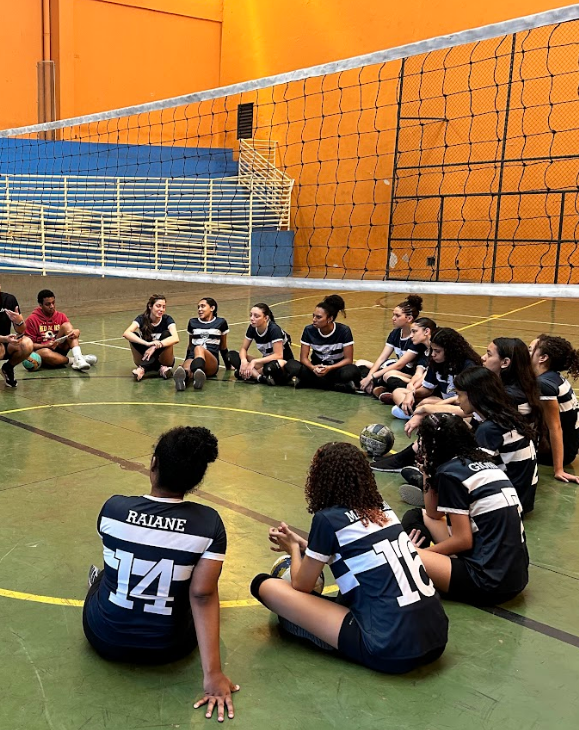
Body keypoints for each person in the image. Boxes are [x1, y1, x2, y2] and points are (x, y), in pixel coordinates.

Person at [83, 427, 238, 722]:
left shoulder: (113, 508)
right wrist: (214, 674)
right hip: (169, 648)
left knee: (108, 575)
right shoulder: (209, 524)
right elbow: (203, 596)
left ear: (153, 463)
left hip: (103, 637)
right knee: (197, 583)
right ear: (196, 480)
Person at [251, 442, 447, 674]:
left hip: (390, 650)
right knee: (355, 588)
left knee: (264, 586)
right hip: (436, 639)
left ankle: (322, 633)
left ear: (319, 480)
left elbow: (301, 585)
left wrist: (293, 548)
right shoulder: (382, 508)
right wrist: (307, 546)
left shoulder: (327, 519)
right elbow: (352, 554)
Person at [402, 414, 529, 606]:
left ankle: (423, 564)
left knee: (403, 557)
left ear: (432, 445)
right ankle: (433, 565)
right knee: (417, 515)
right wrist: (427, 471)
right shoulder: (483, 463)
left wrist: (424, 552)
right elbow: (433, 514)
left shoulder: (451, 474)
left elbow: (463, 541)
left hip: (488, 582)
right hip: (515, 576)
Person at [401, 366, 538, 513]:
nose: (457, 400)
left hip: (506, 502)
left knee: (416, 514)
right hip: (522, 496)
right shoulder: (504, 416)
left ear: (473, 395)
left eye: (459, 395)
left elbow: (476, 472)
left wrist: (434, 470)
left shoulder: (489, 429)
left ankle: (435, 496)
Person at [401, 327, 481, 436]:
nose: (433, 354)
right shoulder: (436, 362)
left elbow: (466, 404)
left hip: (462, 407)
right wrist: (412, 393)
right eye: (432, 350)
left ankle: (415, 413)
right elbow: (427, 389)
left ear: (450, 351)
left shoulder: (469, 367)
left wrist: (427, 409)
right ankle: (414, 412)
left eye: (437, 351)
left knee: (427, 406)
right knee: (399, 392)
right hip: (443, 401)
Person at [530, 334, 579, 483]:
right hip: (569, 446)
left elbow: (555, 427)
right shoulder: (552, 377)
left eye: (530, 349)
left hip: (554, 454)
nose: (526, 352)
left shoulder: (544, 385)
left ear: (543, 358)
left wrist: (559, 469)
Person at [283, 294, 359, 391]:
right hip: (316, 369)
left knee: (351, 371)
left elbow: (348, 359)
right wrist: (313, 368)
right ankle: (337, 386)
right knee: (291, 365)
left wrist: (329, 368)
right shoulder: (309, 330)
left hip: (335, 369)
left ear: (330, 319)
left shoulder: (344, 331)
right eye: (313, 316)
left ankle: (312, 383)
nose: (314, 320)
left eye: (318, 317)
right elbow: (303, 358)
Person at [359, 295, 424, 398]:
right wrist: (369, 376)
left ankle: (386, 389)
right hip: (395, 369)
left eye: (397, 316)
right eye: (393, 315)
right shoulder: (395, 333)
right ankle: (379, 388)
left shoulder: (415, 338)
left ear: (409, 318)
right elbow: (382, 358)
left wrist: (372, 376)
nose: (393, 318)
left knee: (388, 375)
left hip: (409, 375)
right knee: (360, 363)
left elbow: (399, 365)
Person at [23, 289, 97, 372]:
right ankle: (75, 360)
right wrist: (45, 345)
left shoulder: (61, 316)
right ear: (40, 305)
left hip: (59, 347)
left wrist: (76, 332)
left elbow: (71, 333)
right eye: (48, 304)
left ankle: (78, 358)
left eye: (53, 303)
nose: (52, 306)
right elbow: (28, 345)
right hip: (43, 351)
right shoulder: (31, 320)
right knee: (45, 353)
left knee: (67, 325)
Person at [481, 337, 542, 423]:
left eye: (489, 354)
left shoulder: (509, 395)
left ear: (505, 362)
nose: (483, 358)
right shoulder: (525, 384)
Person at [383, 316, 438, 413]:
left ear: (427, 331)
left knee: (399, 394)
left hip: (432, 389)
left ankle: (410, 409)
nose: (411, 335)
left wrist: (412, 390)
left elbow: (425, 378)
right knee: (393, 384)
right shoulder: (424, 349)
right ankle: (409, 407)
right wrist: (411, 385)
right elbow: (418, 374)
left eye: (414, 331)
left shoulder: (436, 353)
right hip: (422, 385)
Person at [174, 298, 230, 391]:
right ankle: (184, 380)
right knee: (186, 367)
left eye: (203, 306)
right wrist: (185, 361)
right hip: (193, 357)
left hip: (211, 361)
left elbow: (223, 346)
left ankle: (197, 371)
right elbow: (190, 346)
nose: (199, 309)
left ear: (212, 308)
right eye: (198, 307)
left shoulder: (221, 322)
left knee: (198, 348)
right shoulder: (192, 322)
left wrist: (228, 365)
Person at [230, 302, 292, 386]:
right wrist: (244, 361)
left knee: (270, 367)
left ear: (266, 318)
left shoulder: (274, 329)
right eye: (251, 315)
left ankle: (250, 374)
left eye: (256, 316)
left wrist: (254, 362)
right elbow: (243, 348)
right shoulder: (252, 327)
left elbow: (278, 355)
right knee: (232, 355)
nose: (252, 318)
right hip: (265, 362)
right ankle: (259, 377)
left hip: (281, 363)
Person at [123, 295, 181, 382]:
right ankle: (161, 369)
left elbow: (176, 338)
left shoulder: (167, 319)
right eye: (158, 306)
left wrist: (154, 346)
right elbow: (126, 333)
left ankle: (142, 369)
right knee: (133, 335)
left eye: (163, 307)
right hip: (145, 356)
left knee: (167, 334)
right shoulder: (141, 319)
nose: (161, 309)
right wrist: (147, 344)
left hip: (164, 359)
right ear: (150, 306)